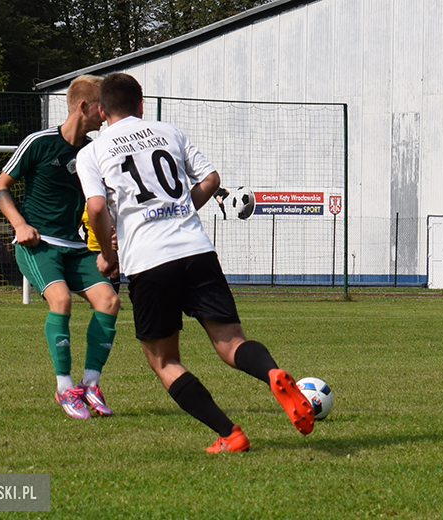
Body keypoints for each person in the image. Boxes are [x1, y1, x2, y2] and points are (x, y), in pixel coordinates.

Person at [76, 72, 314, 452]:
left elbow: (97, 207)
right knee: (232, 343)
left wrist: (108, 254)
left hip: (149, 261)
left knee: (164, 361)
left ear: (102, 111)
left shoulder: (92, 151)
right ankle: (272, 373)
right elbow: (211, 179)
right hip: (196, 250)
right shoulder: (169, 132)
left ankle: (230, 434)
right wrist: (180, 210)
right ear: (141, 105)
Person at [0, 75, 121, 419]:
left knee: (110, 301)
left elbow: (101, 202)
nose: (105, 115)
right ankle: (64, 387)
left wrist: (110, 234)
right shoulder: (39, 142)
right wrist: (20, 225)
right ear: (84, 107)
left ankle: (90, 383)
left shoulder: (93, 152)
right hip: (39, 244)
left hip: (73, 245)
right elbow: (0, 187)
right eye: (102, 108)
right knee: (61, 299)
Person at [81, 202, 122, 296]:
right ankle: (96, 299)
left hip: (109, 246)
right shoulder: (83, 210)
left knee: (114, 271)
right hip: (92, 247)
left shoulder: (109, 207)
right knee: (95, 275)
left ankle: (114, 296)